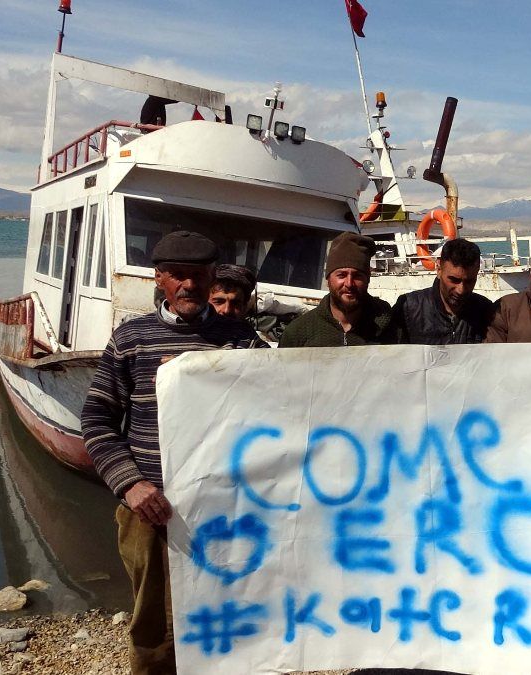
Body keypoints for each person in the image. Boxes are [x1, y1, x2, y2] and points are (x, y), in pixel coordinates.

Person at [81, 230, 266, 675]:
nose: (189, 285)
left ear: (211, 277)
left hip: (223, 508)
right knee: (156, 627)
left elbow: (273, 404)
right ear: (159, 278)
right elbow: (97, 420)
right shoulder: (131, 338)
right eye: (178, 275)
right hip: (151, 510)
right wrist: (131, 484)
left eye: (198, 275)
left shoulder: (240, 338)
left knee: (228, 613)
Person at [279, 231, 397, 347]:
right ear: (328, 279)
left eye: (357, 276)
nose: (349, 284)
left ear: (368, 279)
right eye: (341, 275)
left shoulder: (392, 328)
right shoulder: (298, 333)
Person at [391, 237, 493, 344]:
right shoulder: (407, 309)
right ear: (439, 270)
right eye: (454, 280)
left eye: (469, 281)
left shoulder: (486, 311)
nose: (461, 290)